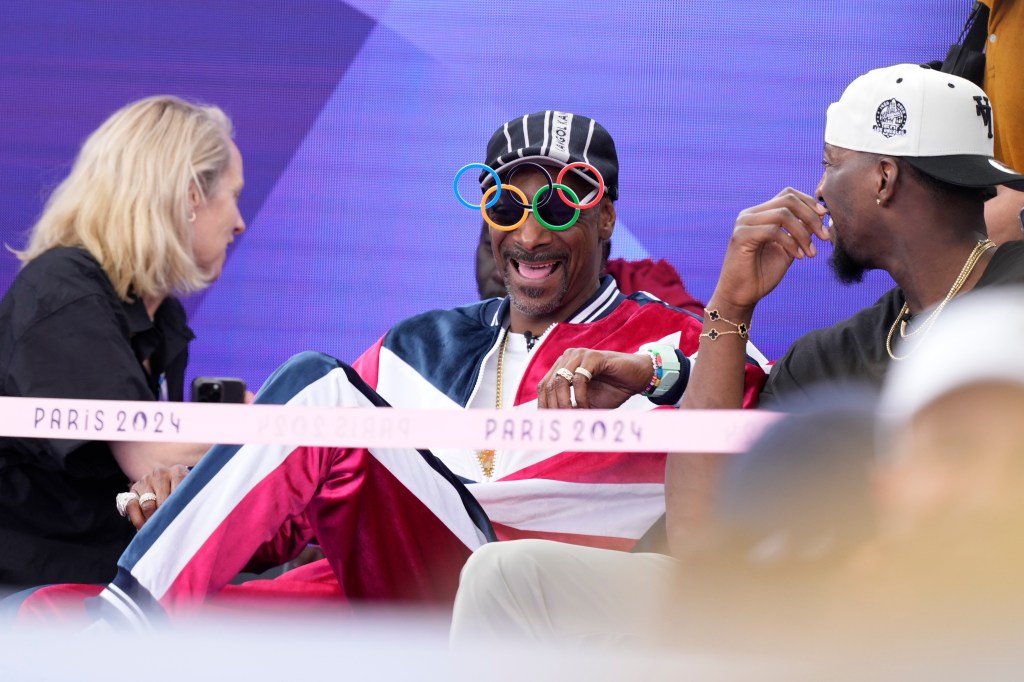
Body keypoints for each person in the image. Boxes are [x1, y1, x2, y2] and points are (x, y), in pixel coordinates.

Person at [33, 110, 768, 624]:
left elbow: (735, 385)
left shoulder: (666, 338)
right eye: (507, 204)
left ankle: (127, 616)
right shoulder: (416, 343)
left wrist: (650, 366)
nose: (531, 230)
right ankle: (127, 612)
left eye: (560, 202)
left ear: (606, 216)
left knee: (323, 390)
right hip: (364, 589)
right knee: (52, 615)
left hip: (512, 595)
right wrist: (192, 503)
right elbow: (302, 510)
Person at [448, 63, 1024, 645]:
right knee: (508, 577)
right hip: (813, 625)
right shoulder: (831, 355)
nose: (820, 189)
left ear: (883, 179)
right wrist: (731, 302)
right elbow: (698, 534)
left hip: (960, 620)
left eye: (830, 163)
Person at [0, 95, 247, 587]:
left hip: (99, 571)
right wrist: (277, 420)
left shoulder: (159, 314)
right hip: (34, 587)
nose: (239, 221)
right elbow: (152, 458)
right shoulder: (63, 292)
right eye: (233, 195)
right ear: (190, 196)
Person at [476, 220, 706, 316]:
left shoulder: (654, 308)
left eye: (541, 263)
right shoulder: (459, 340)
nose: (501, 271)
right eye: (492, 247)